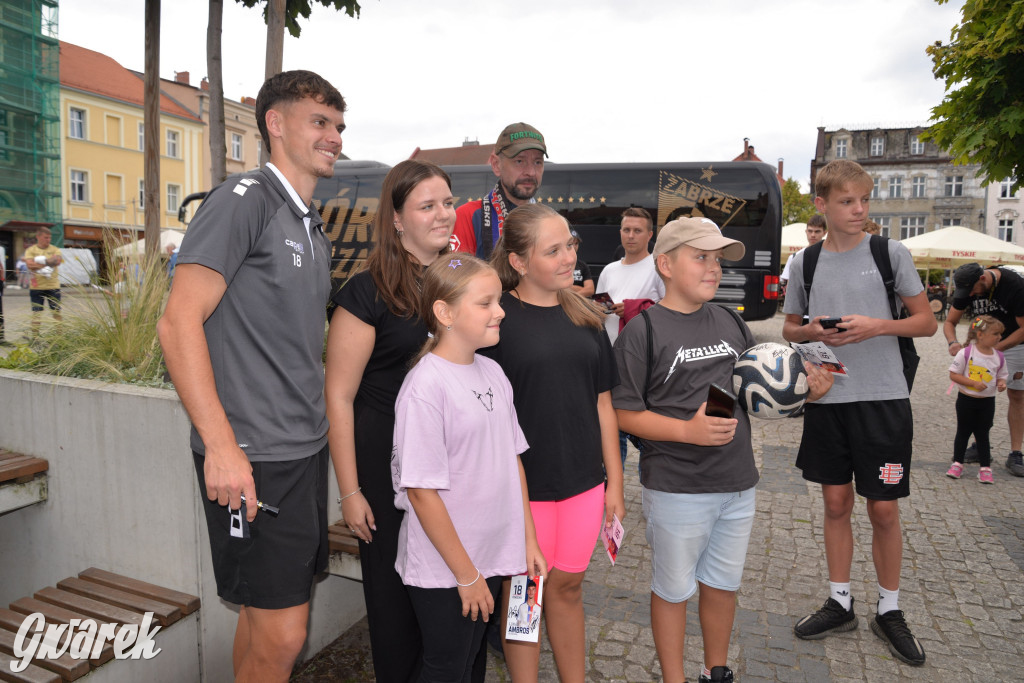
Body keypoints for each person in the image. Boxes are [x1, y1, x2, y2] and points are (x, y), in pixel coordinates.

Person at [156, 70, 346, 682]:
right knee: (285, 633)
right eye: (319, 122)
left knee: (265, 620)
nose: (334, 137)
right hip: (252, 456)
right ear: (275, 123)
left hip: (300, 450)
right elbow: (177, 323)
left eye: (339, 126)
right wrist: (221, 447)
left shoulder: (311, 227)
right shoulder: (244, 200)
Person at [613, 217, 833, 683]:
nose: (714, 269)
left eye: (717, 260)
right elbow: (623, 414)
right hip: (677, 487)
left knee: (723, 586)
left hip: (737, 484)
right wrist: (687, 432)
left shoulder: (732, 320)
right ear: (666, 264)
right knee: (673, 590)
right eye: (702, 257)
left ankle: (716, 672)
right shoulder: (643, 332)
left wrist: (802, 394)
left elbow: (755, 394)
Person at [782, 159, 936, 667]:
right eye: (848, 202)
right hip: (828, 398)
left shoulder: (889, 253)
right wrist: (814, 333)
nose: (860, 210)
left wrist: (877, 326)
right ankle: (840, 601)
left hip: (883, 399)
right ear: (822, 205)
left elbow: (926, 323)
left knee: (884, 508)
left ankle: (889, 609)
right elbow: (788, 328)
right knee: (834, 504)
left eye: (865, 200)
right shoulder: (805, 262)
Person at [324, 159, 457, 683]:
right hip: (387, 465)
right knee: (395, 602)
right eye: (428, 206)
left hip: (453, 460)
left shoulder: (461, 279)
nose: (443, 214)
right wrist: (350, 492)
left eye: (447, 202)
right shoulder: (366, 291)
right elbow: (338, 396)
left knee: (451, 594)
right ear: (397, 219)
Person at [483, 203, 624, 683]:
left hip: (584, 483)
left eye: (571, 245)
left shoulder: (587, 316)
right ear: (519, 261)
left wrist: (616, 487)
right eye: (554, 250)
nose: (569, 258)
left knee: (567, 587)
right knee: (525, 595)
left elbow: (604, 404)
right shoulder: (494, 321)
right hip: (523, 490)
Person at [392, 254, 546, 682]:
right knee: (447, 668)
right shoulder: (426, 386)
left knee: (471, 664)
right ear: (444, 313)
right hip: (449, 569)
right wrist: (467, 575)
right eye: (485, 303)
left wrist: (527, 541)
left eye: (498, 300)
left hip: (492, 554)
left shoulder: (493, 371)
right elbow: (421, 491)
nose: (500, 311)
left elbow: (511, 459)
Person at [945, 262, 1024, 477]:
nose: (969, 295)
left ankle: (1016, 452)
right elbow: (950, 321)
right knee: (978, 395)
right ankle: (980, 446)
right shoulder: (967, 286)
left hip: (1014, 343)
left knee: (1017, 395)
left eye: (972, 291)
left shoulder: (1014, 285)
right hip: (982, 345)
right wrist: (952, 342)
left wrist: (995, 351)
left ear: (982, 279)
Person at [450, 123, 546, 259]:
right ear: (496, 165)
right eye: (519, 161)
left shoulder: (550, 219)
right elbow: (456, 278)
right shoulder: (468, 216)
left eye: (537, 162)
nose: (531, 172)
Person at [947, 315, 1007, 483]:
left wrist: (1001, 384)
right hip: (966, 400)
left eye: (1000, 334)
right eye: (995, 334)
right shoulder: (965, 353)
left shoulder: (999, 357)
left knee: (983, 434)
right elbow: (954, 374)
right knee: (963, 432)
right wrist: (972, 382)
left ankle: (985, 467)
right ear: (980, 335)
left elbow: (1002, 376)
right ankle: (957, 463)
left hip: (987, 402)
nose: (999, 338)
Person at [595, 207, 665, 346]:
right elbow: (599, 310)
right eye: (626, 230)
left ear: (650, 235)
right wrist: (596, 309)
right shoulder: (608, 270)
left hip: (642, 350)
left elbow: (670, 313)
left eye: (637, 231)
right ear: (620, 233)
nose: (631, 235)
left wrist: (632, 310)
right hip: (608, 349)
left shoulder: (659, 269)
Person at [24, 226, 63, 336]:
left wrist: (37, 261)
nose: (48, 240)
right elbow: (29, 265)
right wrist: (48, 261)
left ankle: (59, 336)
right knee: (37, 313)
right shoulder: (31, 250)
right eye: (46, 237)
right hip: (37, 287)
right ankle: (35, 337)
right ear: (38, 237)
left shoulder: (55, 249)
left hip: (53, 286)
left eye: (49, 238)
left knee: (56, 312)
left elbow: (57, 261)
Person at [779, 214, 827, 291]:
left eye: (817, 231)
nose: (813, 235)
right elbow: (790, 288)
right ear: (806, 231)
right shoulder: (795, 257)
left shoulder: (831, 256)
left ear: (824, 233)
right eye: (810, 231)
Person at [569, 230, 595, 298]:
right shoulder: (558, 264)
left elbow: (590, 290)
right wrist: (581, 289)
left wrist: (573, 296)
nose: (574, 246)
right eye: (571, 243)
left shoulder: (582, 265)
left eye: (576, 243)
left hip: (579, 304)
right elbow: (558, 289)